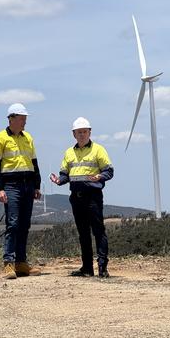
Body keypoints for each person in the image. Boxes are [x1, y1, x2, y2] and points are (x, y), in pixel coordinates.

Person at [50, 117, 114, 277]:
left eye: (85, 132)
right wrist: (58, 181)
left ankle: (102, 267)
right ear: (74, 134)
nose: (82, 135)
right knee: (83, 233)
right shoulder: (69, 153)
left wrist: (100, 177)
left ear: (90, 132)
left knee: (98, 231)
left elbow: (109, 171)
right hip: (76, 197)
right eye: (79, 132)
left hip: (93, 196)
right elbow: (65, 175)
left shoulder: (99, 150)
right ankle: (87, 268)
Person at [0, 103, 42, 279]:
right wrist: (0, 189)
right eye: (21, 119)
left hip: (28, 184)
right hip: (11, 185)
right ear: (11, 119)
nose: (24, 122)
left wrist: (37, 185)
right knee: (13, 224)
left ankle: (21, 263)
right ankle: (9, 263)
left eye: (25, 119)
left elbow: (34, 163)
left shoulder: (28, 138)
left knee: (24, 225)